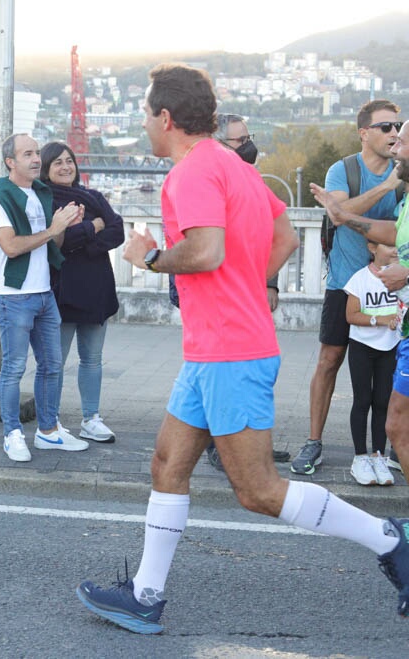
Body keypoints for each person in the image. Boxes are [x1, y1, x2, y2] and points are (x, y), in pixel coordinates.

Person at [77, 64, 409, 635]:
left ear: (165, 117)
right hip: (213, 347)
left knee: (258, 491)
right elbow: (282, 237)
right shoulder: (231, 164)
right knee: (167, 463)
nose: (144, 125)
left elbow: (204, 252)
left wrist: (150, 258)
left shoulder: (191, 173)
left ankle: (391, 542)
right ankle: (146, 595)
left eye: (145, 115)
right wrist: (242, 290)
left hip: (230, 351)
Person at [293, 100, 403, 475]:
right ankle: (313, 442)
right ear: (364, 132)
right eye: (385, 126)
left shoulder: (405, 172)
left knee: (396, 370)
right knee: (329, 361)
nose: (393, 133)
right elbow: (336, 214)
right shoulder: (344, 170)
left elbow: (342, 214)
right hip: (345, 284)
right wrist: (386, 186)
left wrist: (345, 213)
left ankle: (391, 448)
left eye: (397, 126)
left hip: (393, 287)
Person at [0, 133, 85, 462]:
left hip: (43, 293)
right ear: (11, 162)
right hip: (14, 296)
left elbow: (54, 242)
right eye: (28, 154)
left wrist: (65, 223)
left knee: (53, 365)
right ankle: (12, 433)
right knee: (13, 368)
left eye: (37, 152)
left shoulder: (40, 192)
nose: (37, 159)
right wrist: (53, 229)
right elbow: (10, 247)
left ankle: (48, 431)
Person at [203, 113, 289, 469]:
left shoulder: (250, 178)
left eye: (249, 137)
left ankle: (249, 446)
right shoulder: (213, 183)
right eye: (242, 140)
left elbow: (273, 237)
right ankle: (221, 447)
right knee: (223, 373)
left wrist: (265, 282)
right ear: (220, 144)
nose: (250, 146)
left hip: (243, 295)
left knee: (245, 373)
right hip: (219, 298)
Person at [38, 140, 124, 443]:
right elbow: (56, 240)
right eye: (58, 162)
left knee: (92, 359)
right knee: (55, 362)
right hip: (62, 291)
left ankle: (91, 418)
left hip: (96, 289)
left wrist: (83, 240)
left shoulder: (93, 196)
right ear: (47, 169)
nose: (66, 167)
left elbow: (118, 230)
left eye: (69, 161)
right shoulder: (43, 199)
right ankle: (51, 421)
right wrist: (92, 228)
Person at [343, 241, 398, 485]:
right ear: (372, 248)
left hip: (390, 348)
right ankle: (360, 458)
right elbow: (351, 316)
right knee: (363, 401)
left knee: (382, 402)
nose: (395, 250)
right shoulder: (359, 279)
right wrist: (381, 319)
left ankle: (378, 456)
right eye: (388, 245)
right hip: (362, 347)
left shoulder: (399, 280)